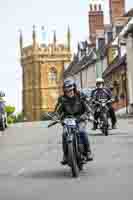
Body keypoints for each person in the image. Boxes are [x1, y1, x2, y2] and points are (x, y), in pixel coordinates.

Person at [54, 78, 93, 165]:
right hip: (67, 120)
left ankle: (88, 152)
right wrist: (56, 117)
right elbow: (57, 110)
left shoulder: (81, 96)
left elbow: (88, 107)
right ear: (64, 91)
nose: (69, 92)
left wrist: (87, 114)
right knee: (64, 134)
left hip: (80, 118)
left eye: (71, 90)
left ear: (74, 89)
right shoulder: (62, 99)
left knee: (82, 131)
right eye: (67, 91)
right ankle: (65, 155)